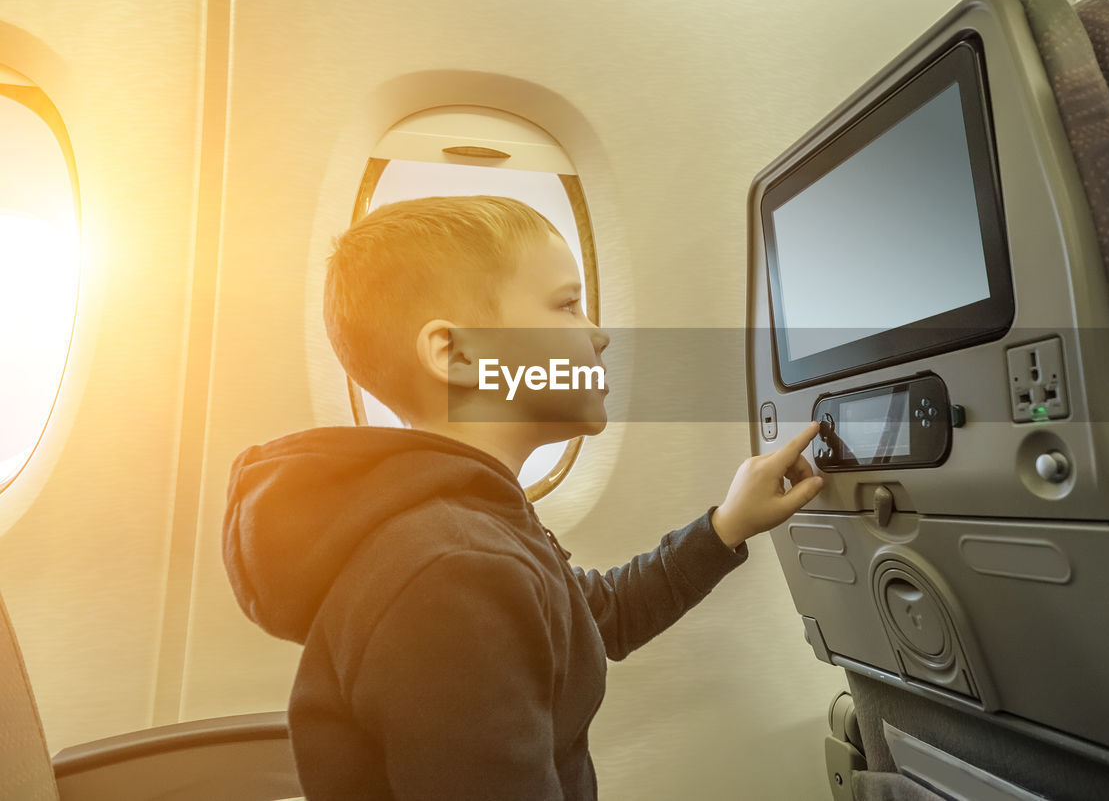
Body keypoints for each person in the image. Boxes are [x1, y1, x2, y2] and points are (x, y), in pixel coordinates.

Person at [222, 196, 823, 799]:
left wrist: (727, 525)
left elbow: (600, 615)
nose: (600, 334)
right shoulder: (455, 570)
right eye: (566, 304)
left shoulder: (475, 519)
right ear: (457, 355)